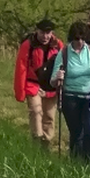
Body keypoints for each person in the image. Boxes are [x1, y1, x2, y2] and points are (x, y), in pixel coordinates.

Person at [50, 21, 90, 162]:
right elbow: (52, 81)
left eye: (82, 38)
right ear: (71, 38)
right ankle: (75, 166)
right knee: (77, 133)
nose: (80, 42)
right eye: (76, 38)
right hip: (71, 97)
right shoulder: (64, 53)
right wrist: (58, 77)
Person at [14, 18, 62, 146]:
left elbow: (64, 64)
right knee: (35, 111)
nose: (45, 36)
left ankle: (46, 142)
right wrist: (20, 92)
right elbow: (21, 67)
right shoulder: (28, 45)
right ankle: (37, 138)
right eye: (42, 33)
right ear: (37, 31)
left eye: (48, 33)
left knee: (49, 116)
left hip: (51, 85)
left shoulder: (58, 45)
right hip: (33, 84)